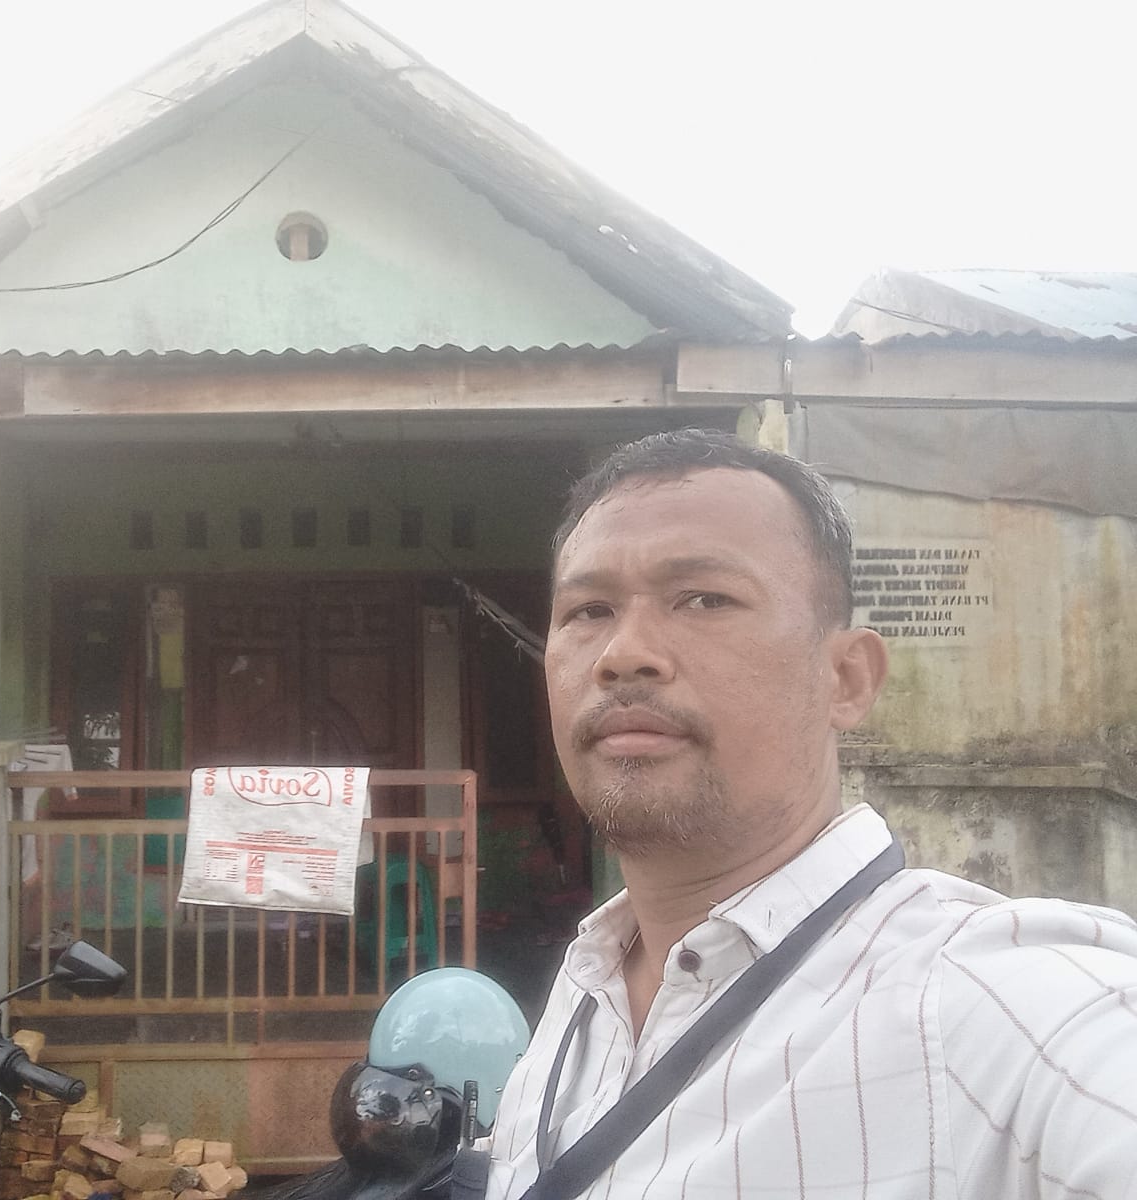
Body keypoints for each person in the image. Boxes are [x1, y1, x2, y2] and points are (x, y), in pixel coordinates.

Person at [482, 429, 1137, 1200]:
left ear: (847, 679)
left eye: (704, 599)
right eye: (588, 610)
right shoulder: (585, 988)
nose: (621, 654)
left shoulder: (995, 1010)